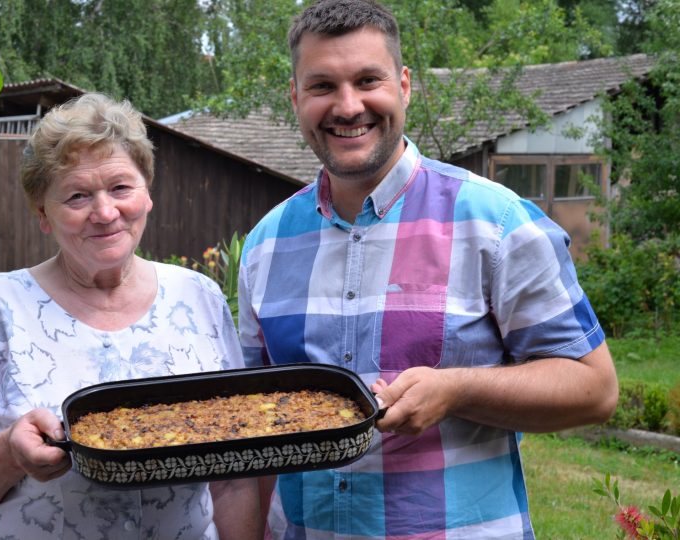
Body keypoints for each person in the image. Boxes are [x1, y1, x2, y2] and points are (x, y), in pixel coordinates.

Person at [237, 1, 619, 538]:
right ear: (295, 98)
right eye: (323, 86)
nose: (348, 106)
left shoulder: (497, 222)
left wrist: (457, 389)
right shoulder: (266, 246)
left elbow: (595, 389)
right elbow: (252, 429)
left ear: (404, 85)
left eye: (368, 79)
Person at [0, 92, 261, 540]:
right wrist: (7, 453)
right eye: (78, 196)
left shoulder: (199, 298)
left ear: (147, 193)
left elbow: (233, 476)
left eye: (121, 187)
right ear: (44, 214)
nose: (104, 213)